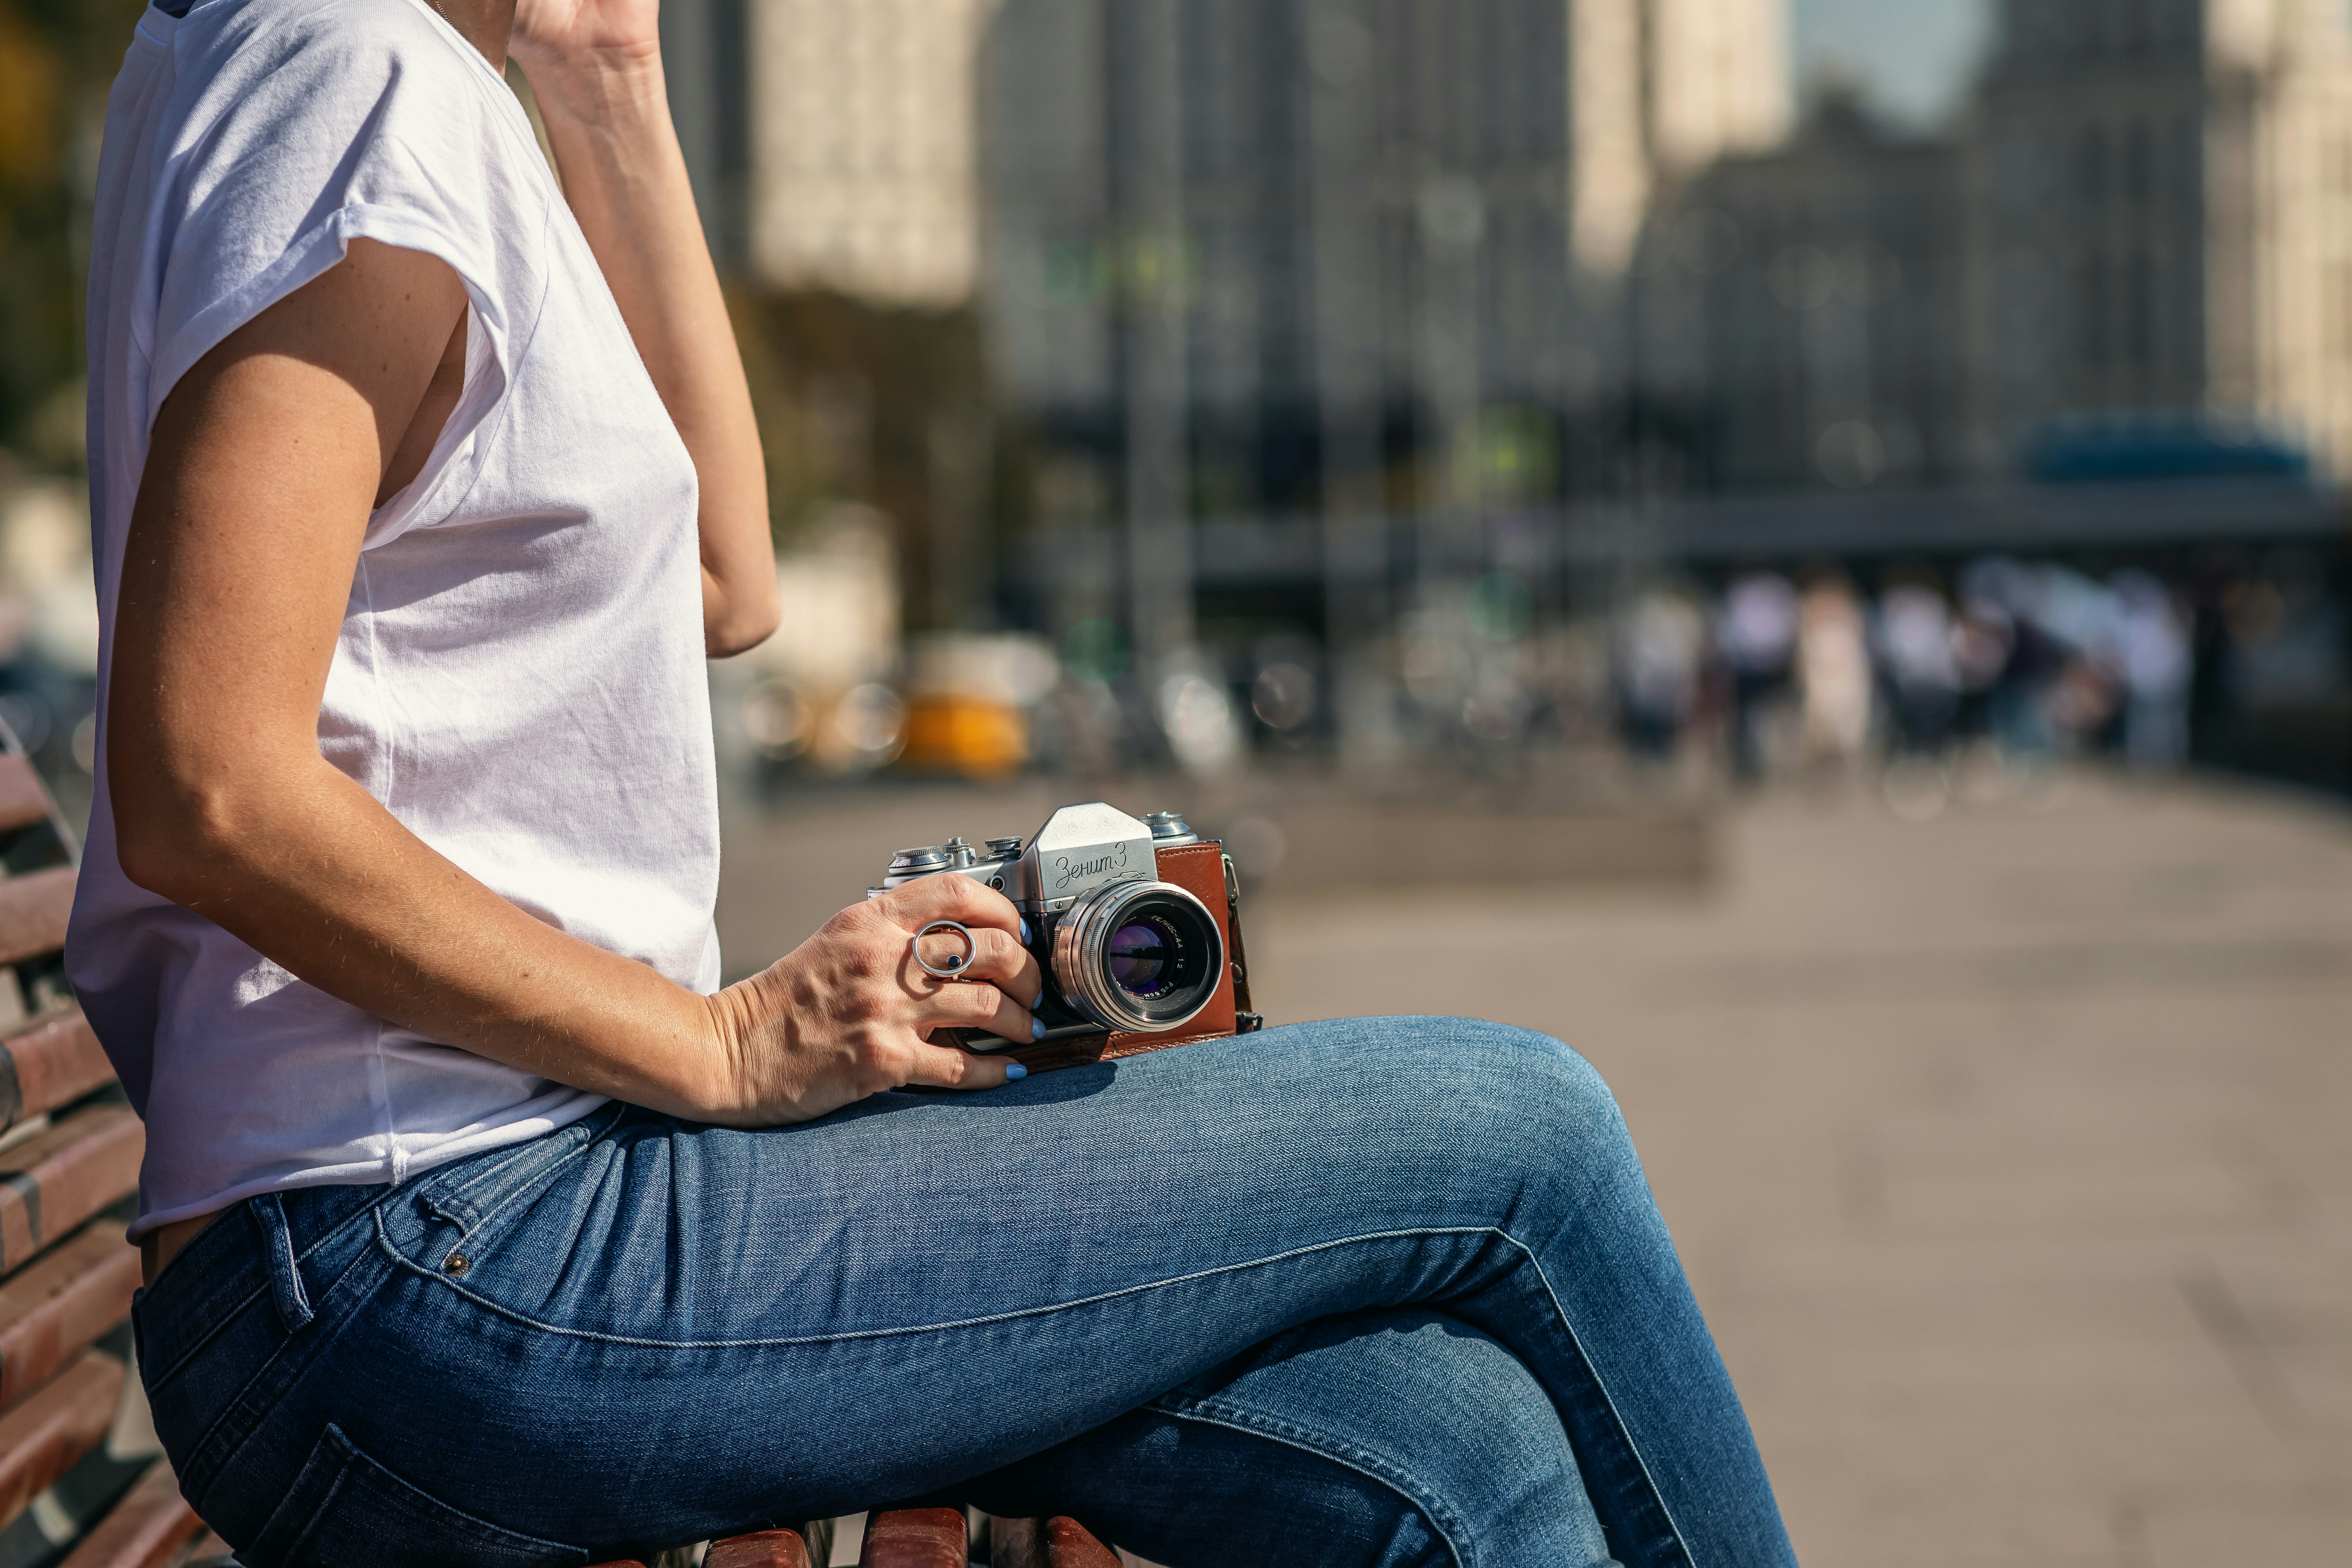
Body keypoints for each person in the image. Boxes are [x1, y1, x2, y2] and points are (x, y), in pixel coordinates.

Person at [75, 0, 1797, 1564]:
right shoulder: (354, 71)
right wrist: (723, 1043)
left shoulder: (386, 83)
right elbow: (208, 781)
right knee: (1528, 1138)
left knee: (1463, 1451)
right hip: (426, 1257)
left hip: (474, 1236)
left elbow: (727, 579)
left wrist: (604, 77)